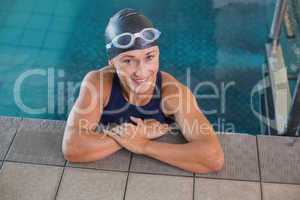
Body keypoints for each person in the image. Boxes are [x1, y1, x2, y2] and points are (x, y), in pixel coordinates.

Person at [62, 8, 224, 173]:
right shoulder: (98, 83)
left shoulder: (173, 93)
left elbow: (213, 159)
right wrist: (137, 136)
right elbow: (72, 148)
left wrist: (144, 146)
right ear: (112, 62)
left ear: (158, 54)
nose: (141, 71)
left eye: (149, 57)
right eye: (128, 60)